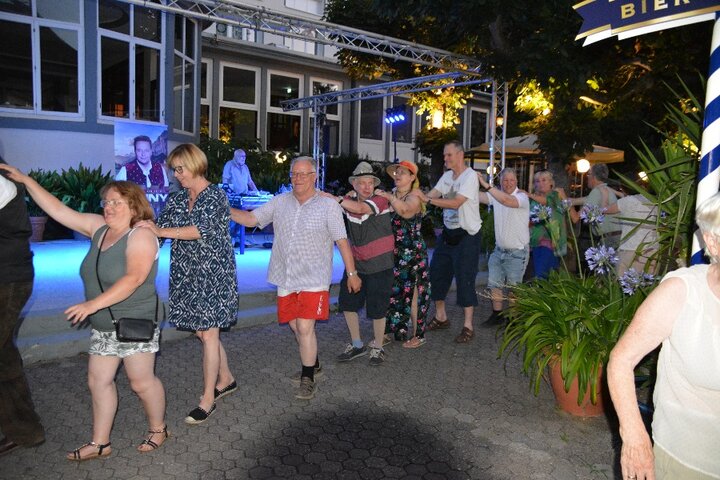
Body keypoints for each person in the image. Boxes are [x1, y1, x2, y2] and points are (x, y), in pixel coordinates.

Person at [0, 164, 168, 460]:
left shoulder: (140, 235)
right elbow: (58, 211)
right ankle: (100, 442)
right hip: (105, 324)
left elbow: (134, 279)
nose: (109, 207)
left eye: (118, 202)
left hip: (134, 321)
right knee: (97, 380)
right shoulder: (98, 228)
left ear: (135, 206)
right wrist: (26, 182)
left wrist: (91, 304)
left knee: (140, 382)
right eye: (107, 201)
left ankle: (158, 428)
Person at [607, 192, 720, 480]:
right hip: (687, 461)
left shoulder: (631, 201)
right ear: (712, 241)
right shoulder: (683, 291)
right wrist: (633, 437)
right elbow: (620, 360)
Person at [230, 156, 361, 400]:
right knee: (295, 325)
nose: (298, 178)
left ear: (314, 177)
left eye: (303, 174)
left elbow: (342, 241)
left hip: (314, 277)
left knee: (304, 326)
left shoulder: (328, 205)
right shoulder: (279, 202)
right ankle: (314, 361)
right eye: (294, 174)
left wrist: (351, 273)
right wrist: (225, 209)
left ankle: (307, 377)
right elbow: (251, 219)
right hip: (285, 275)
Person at [137, 144, 238, 425]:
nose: (177, 175)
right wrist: (140, 238)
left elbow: (200, 230)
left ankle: (208, 399)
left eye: (180, 169)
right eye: (174, 170)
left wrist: (160, 230)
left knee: (209, 334)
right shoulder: (178, 198)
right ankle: (226, 378)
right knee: (202, 333)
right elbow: (159, 232)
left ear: (195, 165)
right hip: (185, 274)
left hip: (213, 275)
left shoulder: (216, 195)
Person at [328, 161, 394, 366]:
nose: (366, 186)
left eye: (370, 182)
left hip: (381, 264)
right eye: (361, 182)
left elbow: (360, 208)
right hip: (356, 265)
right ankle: (357, 345)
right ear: (354, 184)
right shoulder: (347, 200)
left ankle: (377, 347)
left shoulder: (380, 200)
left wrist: (336, 199)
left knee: (378, 308)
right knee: (348, 304)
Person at [0, 161, 45, 457]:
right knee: (4, 356)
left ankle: (25, 430)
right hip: (10, 277)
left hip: (8, 280)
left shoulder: (3, 183)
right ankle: (25, 431)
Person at [417, 140, 482, 344]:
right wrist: (412, 198)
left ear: (460, 155)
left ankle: (468, 326)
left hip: (468, 236)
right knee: (437, 274)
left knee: (465, 279)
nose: (445, 159)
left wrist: (427, 200)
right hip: (448, 235)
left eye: (449, 155)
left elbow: (455, 203)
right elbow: (431, 195)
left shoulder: (470, 177)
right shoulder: (447, 176)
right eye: (444, 155)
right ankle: (441, 316)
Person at [375, 160, 431, 349]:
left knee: (414, 293)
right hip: (394, 251)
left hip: (412, 251)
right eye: (396, 172)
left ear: (413, 177)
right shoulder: (392, 195)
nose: (398, 175)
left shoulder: (414, 196)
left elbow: (405, 211)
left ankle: (419, 334)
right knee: (394, 292)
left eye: (403, 173)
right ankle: (394, 330)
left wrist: (389, 198)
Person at [476, 168, 530, 326]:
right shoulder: (496, 197)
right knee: (495, 285)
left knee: (514, 289)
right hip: (498, 251)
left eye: (511, 180)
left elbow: (507, 201)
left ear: (517, 182)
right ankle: (497, 315)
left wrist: (485, 184)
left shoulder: (522, 197)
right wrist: (468, 183)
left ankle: (513, 319)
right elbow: (477, 197)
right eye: (505, 180)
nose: (508, 183)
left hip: (517, 252)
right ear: (500, 182)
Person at [525, 170, 578, 279]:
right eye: (537, 181)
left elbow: (546, 201)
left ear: (551, 182)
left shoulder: (556, 195)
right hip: (535, 243)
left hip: (552, 243)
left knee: (542, 277)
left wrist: (529, 195)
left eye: (544, 180)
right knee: (546, 277)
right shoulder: (533, 200)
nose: (540, 183)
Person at [604, 193, 658, 275]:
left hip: (631, 249)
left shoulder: (628, 200)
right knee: (649, 284)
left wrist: (606, 194)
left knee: (624, 282)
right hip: (652, 249)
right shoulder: (655, 200)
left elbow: (605, 210)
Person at [571, 163, 621, 248]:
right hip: (615, 238)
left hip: (609, 240)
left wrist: (566, 203)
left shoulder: (596, 192)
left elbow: (575, 218)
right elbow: (576, 201)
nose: (587, 176)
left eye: (588, 174)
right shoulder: (604, 189)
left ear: (593, 177)